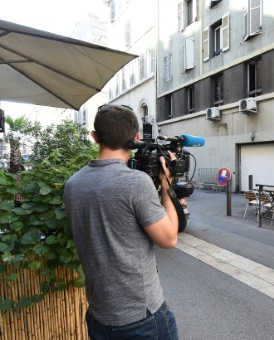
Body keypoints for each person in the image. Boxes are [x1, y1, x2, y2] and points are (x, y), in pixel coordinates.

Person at [63, 105, 179, 339]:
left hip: (99, 315)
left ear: (95, 137)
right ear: (135, 139)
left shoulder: (72, 185)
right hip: (141, 317)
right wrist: (166, 188)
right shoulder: (136, 183)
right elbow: (169, 239)